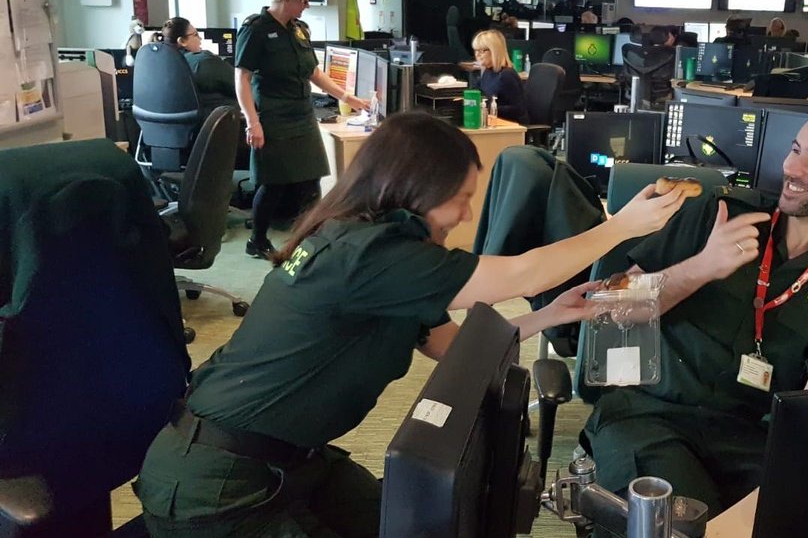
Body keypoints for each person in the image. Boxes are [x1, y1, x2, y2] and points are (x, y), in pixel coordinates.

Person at [133, 112, 688, 537]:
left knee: (415, 523)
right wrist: (618, 228)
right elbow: (519, 273)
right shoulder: (370, 255)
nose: (467, 217)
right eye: (461, 201)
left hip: (287, 459)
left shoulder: (372, 246)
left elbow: (451, 346)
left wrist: (549, 315)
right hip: (218, 484)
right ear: (417, 190)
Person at [583, 105, 808, 515]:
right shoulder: (719, 214)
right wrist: (700, 268)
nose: (793, 168)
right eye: (795, 150)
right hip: (652, 414)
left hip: (748, 440)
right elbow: (611, 310)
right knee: (673, 521)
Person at [235, 0, 370, 260]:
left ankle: (312, 240)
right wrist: (252, 122)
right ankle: (257, 241)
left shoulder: (299, 28)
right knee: (274, 184)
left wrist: (347, 97)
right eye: (304, 1)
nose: (307, 6)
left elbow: (313, 72)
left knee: (311, 182)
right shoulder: (256, 28)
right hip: (272, 114)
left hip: (301, 113)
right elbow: (242, 78)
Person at [160, 16, 236, 114]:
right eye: (195, 35)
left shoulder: (158, 64)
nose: (200, 38)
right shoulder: (204, 61)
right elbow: (240, 87)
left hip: (166, 125)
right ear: (182, 41)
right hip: (207, 124)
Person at [471, 29, 525, 122]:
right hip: (492, 121)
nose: (477, 54)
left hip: (510, 127)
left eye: (482, 51)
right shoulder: (487, 72)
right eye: (476, 50)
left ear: (494, 51)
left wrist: (488, 108)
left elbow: (518, 110)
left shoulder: (507, 75)